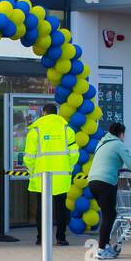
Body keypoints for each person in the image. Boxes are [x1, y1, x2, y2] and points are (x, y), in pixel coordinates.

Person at [25, 103, 78, 246]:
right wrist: (68, 169)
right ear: (57, 113)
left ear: (43, 113)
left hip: (41, 176)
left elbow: (29, 157)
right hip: (61, 177)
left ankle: (41, 238)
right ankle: (61, 238)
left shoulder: (35, 130)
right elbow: (74, 154)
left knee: (41, 208)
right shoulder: (67, 129)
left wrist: (32, 172)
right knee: (61, 208)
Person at [86, 122, 131, 259]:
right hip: (106, 182)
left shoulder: (102, 143)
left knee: (108, 214)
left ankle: (106, 245)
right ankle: (102, 249)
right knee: (109, 215)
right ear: (121, 133)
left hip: (92, 181)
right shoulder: (119, 145)